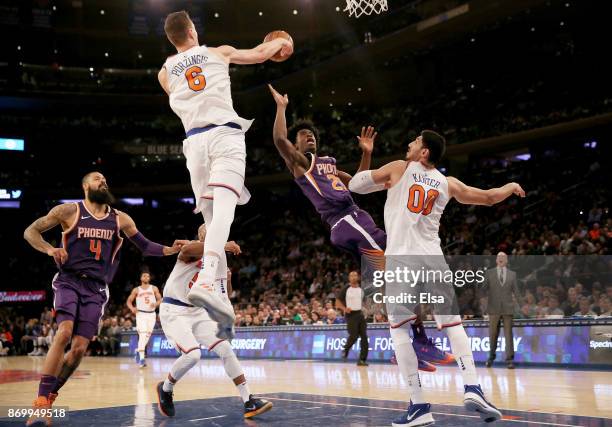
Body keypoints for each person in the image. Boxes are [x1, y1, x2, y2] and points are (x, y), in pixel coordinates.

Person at [268, 85, 453, 371]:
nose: (310, 138)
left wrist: (366, 153)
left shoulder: (328, 164)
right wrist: (281, 107)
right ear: (298, 144)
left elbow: (358, 182)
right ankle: (420, 340)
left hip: (353, 221)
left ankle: (405, 348)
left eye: (313, 135)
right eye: (304, 136)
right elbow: (280, 139)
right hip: (347, 220)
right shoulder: (302, 164)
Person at [349, 130, 525, 425]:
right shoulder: (448, 183)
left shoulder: (399, 168)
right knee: (453, 324)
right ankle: (473, 387)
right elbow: (489, 198)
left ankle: (418, 405)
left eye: (415, 141)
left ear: (424, 152)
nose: (409, 143)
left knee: (400, 331)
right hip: (433, 259)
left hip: (402, 259)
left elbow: (355, 185)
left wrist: (366, 152)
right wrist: (511, 184)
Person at [158, 11, 293, 332]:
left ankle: (219, 295)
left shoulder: (164, 72)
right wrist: (283, 42)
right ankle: (207, 282)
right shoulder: (218, 52)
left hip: (193, 144)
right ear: (191, 30)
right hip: (224, 135)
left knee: (211, 222)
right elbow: (261, 54)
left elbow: (181, 93)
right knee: (224, 216)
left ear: (171, 38)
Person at [23, 171, 187, 426]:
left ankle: (51, 395)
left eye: (105, 179)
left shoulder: (120, 218)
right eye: (98, 178)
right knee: (64, 333)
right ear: (85, 185)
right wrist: (50, 249)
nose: (103, 181)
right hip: (69, 280)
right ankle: (41, 402)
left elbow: (145, 246)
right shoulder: (68, 211)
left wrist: (170, 250)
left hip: (97, 289)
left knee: (78, 350)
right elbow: (31, 231)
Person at [157, 225, 272, 419]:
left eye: (216, 231)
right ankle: (166, 388)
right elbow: (186, 251)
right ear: (201, 235)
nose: (213, 233)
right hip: (174, 310)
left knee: (225, 349)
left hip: (198, 311)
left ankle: (248, 401)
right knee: (193, 355)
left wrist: (227, 278)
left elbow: (223, 292)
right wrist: (221, 245)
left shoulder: (218, 261)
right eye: (208, 231)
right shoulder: (193, 249)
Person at [484, 252, 520, 369]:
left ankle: (509, 359)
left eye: (503, 257)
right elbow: (483, 290)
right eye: (499, 257)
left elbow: (517, 292)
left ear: (506, 261)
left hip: (508, 308)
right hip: (493, 308)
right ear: (496, 260)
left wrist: (523, 305)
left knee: (508, 334)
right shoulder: (489, 273)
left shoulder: (512, 275)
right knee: (493, 334)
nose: (501, 259)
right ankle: (491, 357)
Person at [126, 271, 162, 367]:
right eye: (144, 276)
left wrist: (156, 304)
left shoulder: (154, 288)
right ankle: (142, 359)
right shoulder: (136, 290)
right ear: (141, 278)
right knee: (142, 334)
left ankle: (138, 350)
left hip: (151, 314)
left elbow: (160, 299)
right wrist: (132, 308)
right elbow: (129, 301)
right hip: (141, 314)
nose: (146, 277)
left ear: (149, 278)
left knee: (147, 336)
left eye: (148, 276)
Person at [336, 271, 369, 366]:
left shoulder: (361, 289)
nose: (354, 277)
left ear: (358, 277)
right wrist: (344, 309)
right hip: (350, 315)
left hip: (360, 314)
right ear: (349, 278)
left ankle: (362, 359)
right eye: (352, 275)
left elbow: (365, 301)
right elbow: (337, 302)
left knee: (364, 337)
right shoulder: (346, 288)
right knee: (354, 336)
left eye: (355, 275)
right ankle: (346, 349)